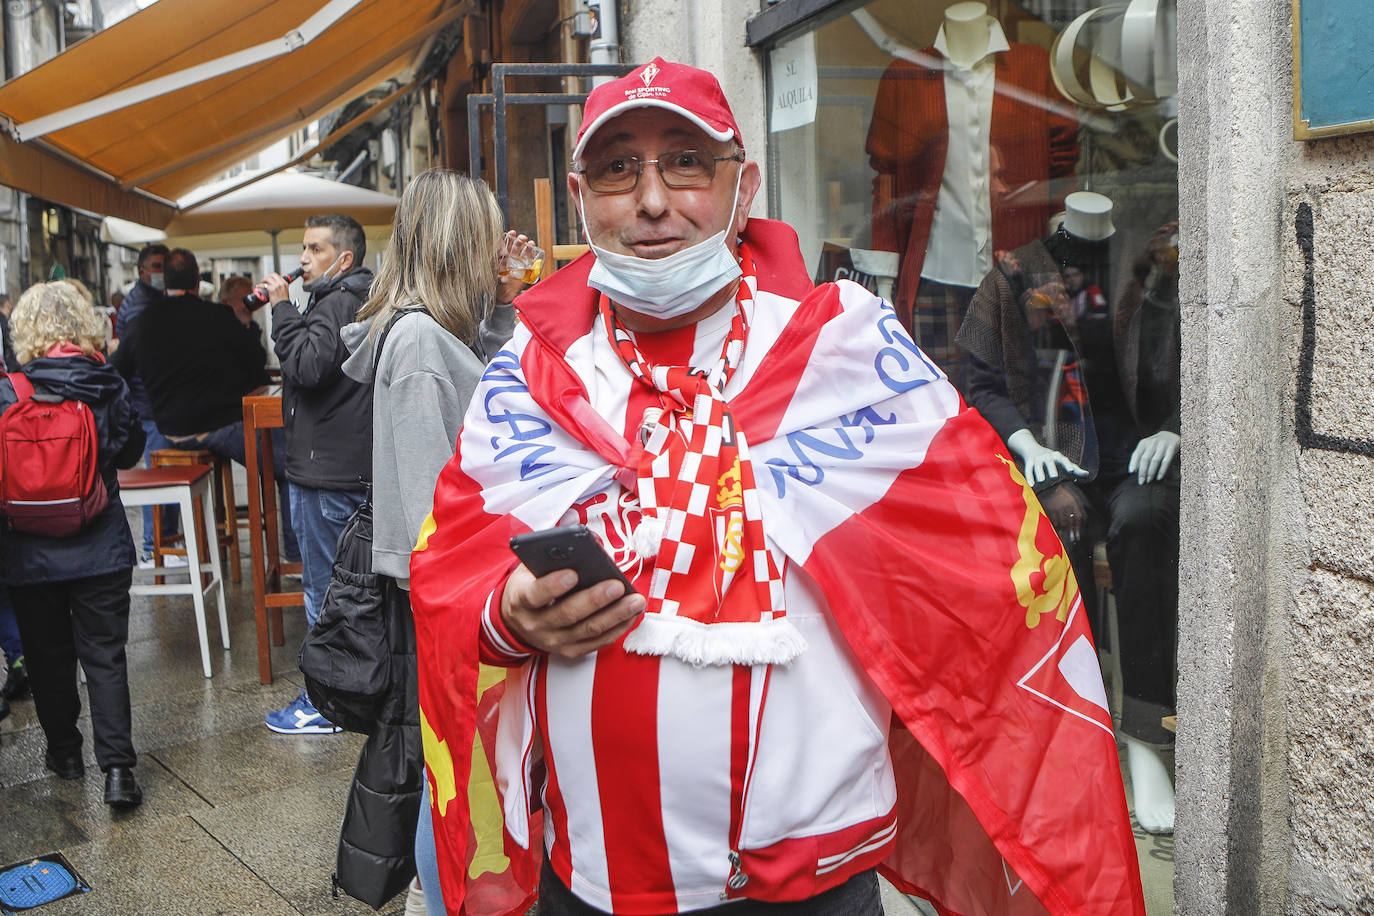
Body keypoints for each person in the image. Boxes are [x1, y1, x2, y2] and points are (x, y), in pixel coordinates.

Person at [408, 59, 1144, 916]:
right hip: (595, 877)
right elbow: (446, 571)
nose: (651, 200)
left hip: (818, 882)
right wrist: (507, 613)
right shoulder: (527, 378)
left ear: (743, 186)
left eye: (686, 161)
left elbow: (987, 561)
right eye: (618, 168)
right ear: (580, 197)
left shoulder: (849, 348)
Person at [337, 170, 524, 915]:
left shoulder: (433, 331)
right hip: (444, 598)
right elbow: (427, 515)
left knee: (447, 772)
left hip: (452, 590)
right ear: (457, 243)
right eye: (483, 239)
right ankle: (438, 902)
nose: (492, 253)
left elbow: (486, 382)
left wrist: (504, 305)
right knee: (444, 778)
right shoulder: (417, 344)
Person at [0, 281, 146, 807]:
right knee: (105, 656)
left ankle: (64, 752)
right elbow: (129, 453)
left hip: (28, 550)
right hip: (100, 544)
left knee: (45, 657)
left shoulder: (11, 388)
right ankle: (118, 772)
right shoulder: (106, 381)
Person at [260, 214, 374, 735]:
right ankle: (347, 691)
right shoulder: (351, 299)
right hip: (336, 467)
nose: (302, 258)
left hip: (324, 474)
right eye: (303, 248)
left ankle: (324, 702)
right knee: (344, 588)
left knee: (324, 591)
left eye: (315, 249)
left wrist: (281, 307)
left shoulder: (338, 302)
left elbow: (306, 366)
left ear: (343, 259)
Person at [111, 250, 296, 562]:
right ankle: (297, 556)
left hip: (171, 429)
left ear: (162, 280)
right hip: (224, 424)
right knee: (292, 466)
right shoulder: (220, 317)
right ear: (198, 280)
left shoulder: (140, 324)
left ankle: (157, 551)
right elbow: (256, 367)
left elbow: (115, 373)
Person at [114, 243, 173, 564]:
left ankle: (165, 545)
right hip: (149, 405)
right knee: (158, 481)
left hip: (156, 405)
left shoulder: (152, 300)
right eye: (156, 266)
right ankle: (154, 548)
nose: (161, 272)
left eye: (165, 266)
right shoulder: (139, 307)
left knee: (166, 475)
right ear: (141, 271)